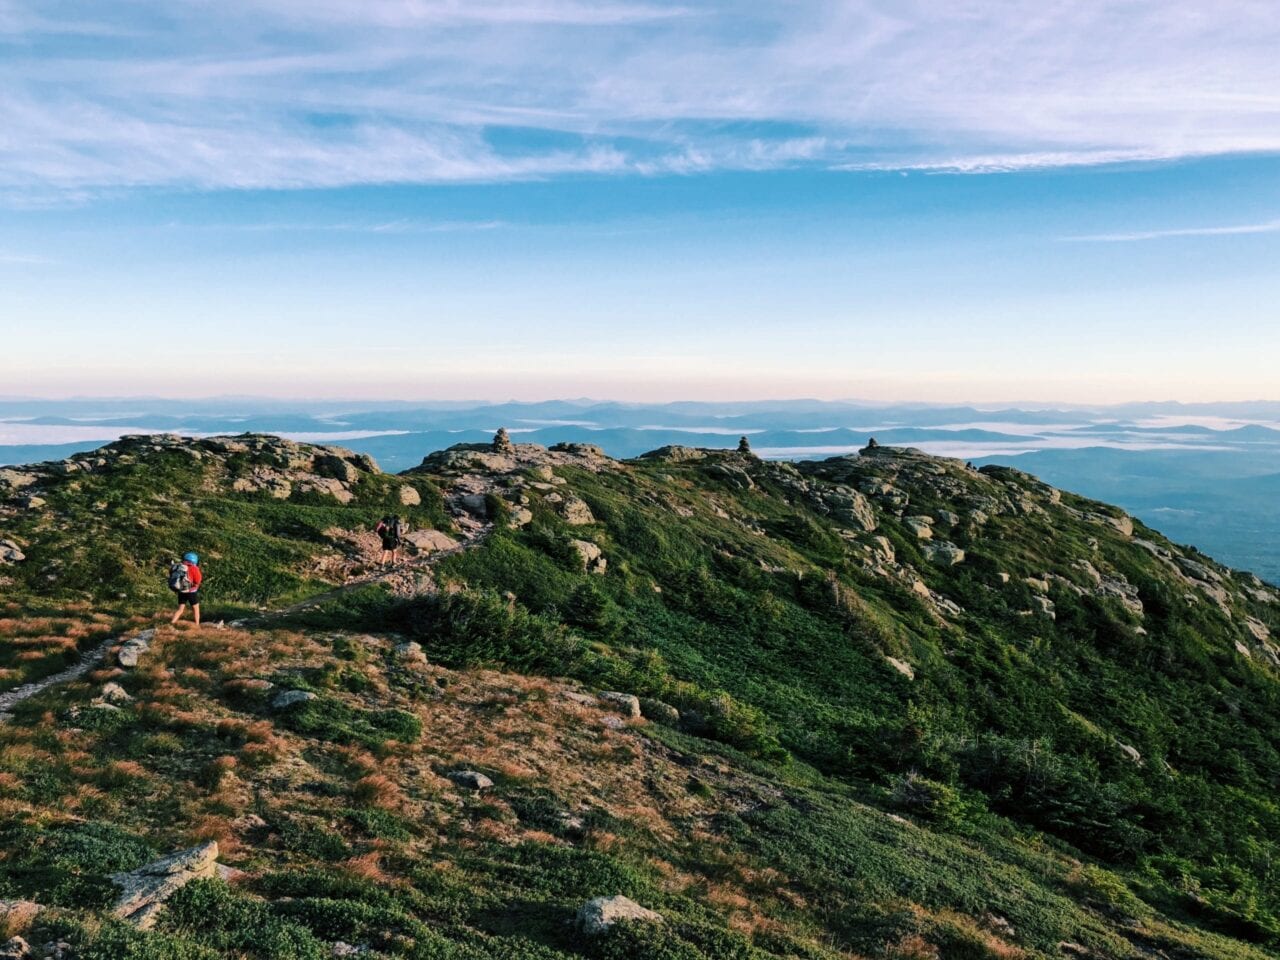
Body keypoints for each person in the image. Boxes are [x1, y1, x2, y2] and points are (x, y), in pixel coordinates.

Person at [169, 551, 203, 626]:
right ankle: (197, 625)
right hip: (191, 591)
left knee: (180, 609)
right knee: (196, 609)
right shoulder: (194, 568)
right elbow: (198, 580)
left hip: (181, 591)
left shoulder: (179, 566)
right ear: (195, 560)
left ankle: (172, 623)